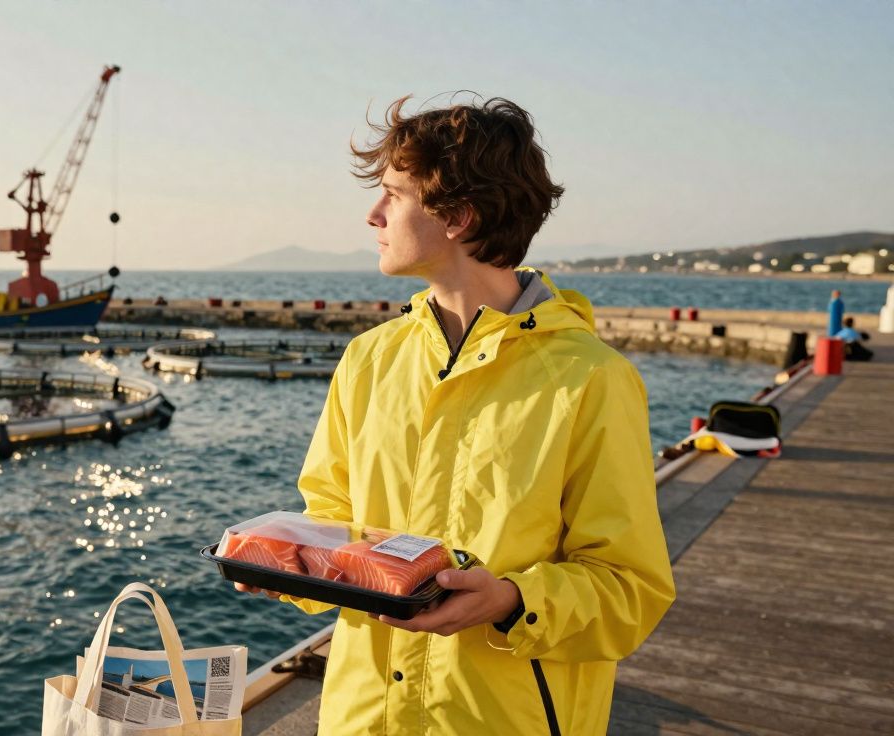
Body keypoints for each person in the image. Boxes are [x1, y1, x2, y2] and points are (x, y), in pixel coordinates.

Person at [240, 96, 675, 734]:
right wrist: (290, 564)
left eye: (393, 194)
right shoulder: (369, 359)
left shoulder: (590, 378)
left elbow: (630, 588)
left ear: (459, 215)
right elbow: (334, 522)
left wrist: (512, 600)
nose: (373, 214)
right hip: (365, 718)